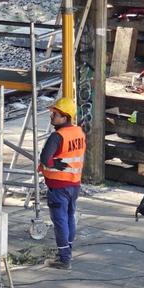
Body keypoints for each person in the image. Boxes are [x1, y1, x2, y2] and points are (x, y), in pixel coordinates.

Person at [38, 97, 86, 270]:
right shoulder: (79, 133)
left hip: (58, 186)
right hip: (74, 184)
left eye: (55, 114)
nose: (51, 117)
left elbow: (45, 159)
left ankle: (64, 259)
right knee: (69, 218)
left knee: (60, 221)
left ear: (65, 117)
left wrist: (52, 164)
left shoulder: (57, 136)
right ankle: (68, 251)